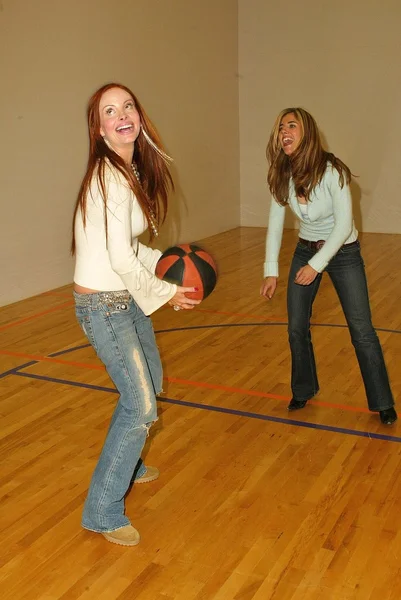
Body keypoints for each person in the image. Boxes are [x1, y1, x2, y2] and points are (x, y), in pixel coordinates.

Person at [71, 83, 200, 546]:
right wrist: (166, 294)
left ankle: (131, 462)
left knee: (151, 381)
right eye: (110, 110)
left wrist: (168, 275)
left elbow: (132, 250)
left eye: (127, 105)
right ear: (101, 130)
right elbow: (121, 261)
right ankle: (101, 511)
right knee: (140, 403)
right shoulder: (108, 176)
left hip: (124, 298)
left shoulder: (129, 172)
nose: (121, 114)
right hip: (102, 307)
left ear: (138, 117)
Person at [260, 107, 397, 426]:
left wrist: (317, 266)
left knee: (362, 330)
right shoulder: (283, 174)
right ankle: (303, 389)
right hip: (305, 249)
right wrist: (271, 269)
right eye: (281, 128)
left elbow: (343, 225)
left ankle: (382, 401)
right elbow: (276, 224)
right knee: (296, 327)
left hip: (344, 251)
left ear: (306, 132)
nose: (284, 132)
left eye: (291, 126)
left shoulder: (332, 171)